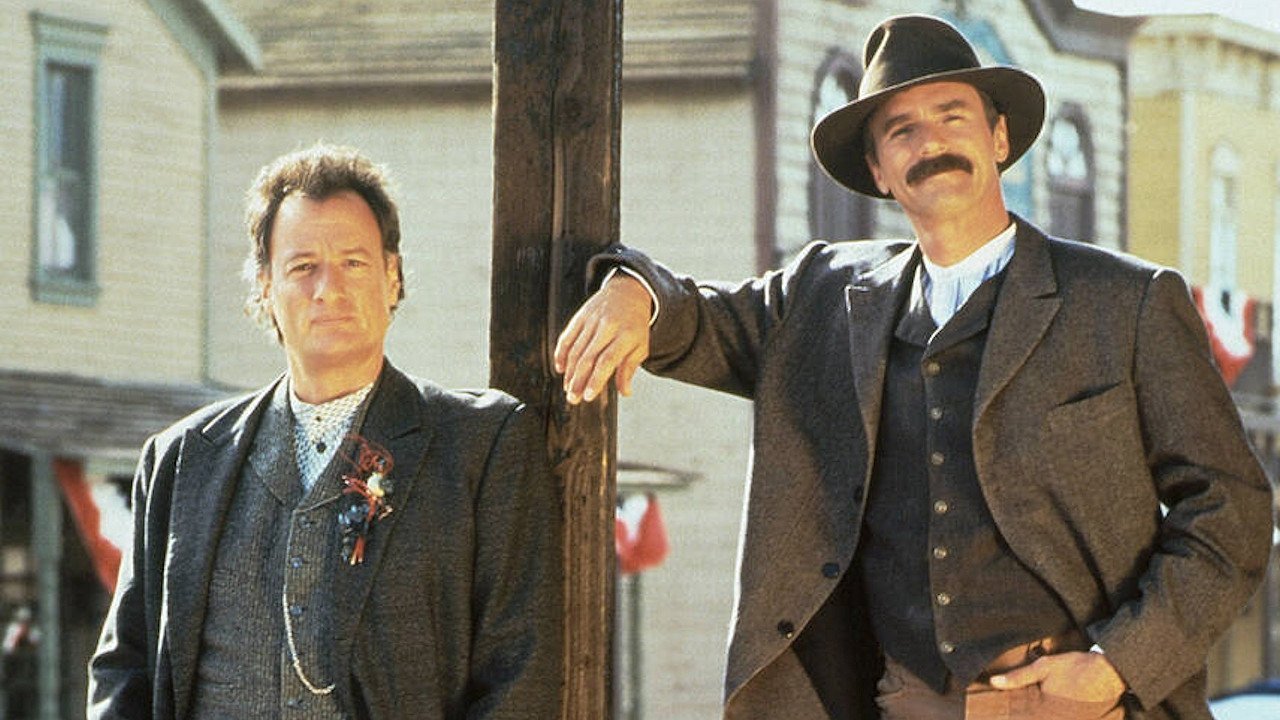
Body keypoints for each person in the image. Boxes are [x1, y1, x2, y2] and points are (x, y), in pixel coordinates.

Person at [555, 14, 1273, 720]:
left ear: (998, 138)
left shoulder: (1125, 302)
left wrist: (1117, 665)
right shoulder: (821, 297)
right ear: (878, 170)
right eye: (901, 130)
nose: (930, 143)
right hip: (902, 702)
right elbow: (693, 318)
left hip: (1077, 702)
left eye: (952, 116)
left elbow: (1232, 508)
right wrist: (632, 290)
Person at [88, 144, 562, 719]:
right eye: (303, 266)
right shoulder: (181, 459)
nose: (328, 289)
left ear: (392, 277)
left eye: (354, 263)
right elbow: (125, 669)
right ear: (266, 286)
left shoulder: (483, 446)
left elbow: (520, 675)